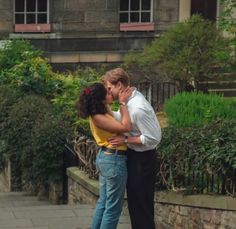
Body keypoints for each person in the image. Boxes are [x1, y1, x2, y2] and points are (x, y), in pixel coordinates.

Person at [102, 68, 162, 229]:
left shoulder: (138, 108)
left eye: (109, 88)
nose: (107, 91)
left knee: (141, 207)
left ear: (119, 85)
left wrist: (126, 138)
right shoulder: (126, 101)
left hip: (143, 161)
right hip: (133, 157)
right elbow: (118, 116)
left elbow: (153, 138)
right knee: (135, 206)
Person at [76, 82, 133, 229]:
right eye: (107, 92)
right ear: (101, 99)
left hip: (107, 158)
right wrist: (122, 102)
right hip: (113, 160)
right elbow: (126, 127)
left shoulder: (101, 112)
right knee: (113, 208)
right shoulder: (98, 117)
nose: (110, 93)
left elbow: (113, 114)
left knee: (104, 202)